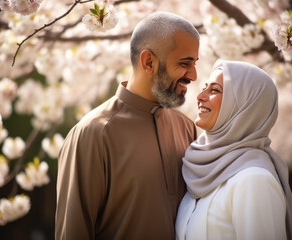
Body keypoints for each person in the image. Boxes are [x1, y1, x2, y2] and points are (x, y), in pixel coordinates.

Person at [55, 11, 200, 240]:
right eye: (184, 63)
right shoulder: (94, 133)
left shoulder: (186, 128)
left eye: (194, 63)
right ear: (148, 62)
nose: (193, 74)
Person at [175, 59, 292, 240]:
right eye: (205, 87)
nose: (200, 96)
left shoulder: (254, 179)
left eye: (215, 90)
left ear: (244, 106)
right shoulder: (198, 171)